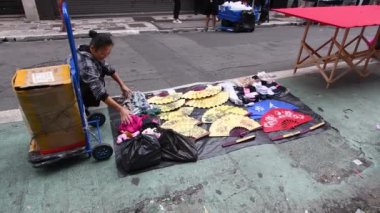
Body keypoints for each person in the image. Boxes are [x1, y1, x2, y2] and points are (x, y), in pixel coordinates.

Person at [76, 30, 132, 124]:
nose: (105, 57)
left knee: (102, 71)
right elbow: (100, 92)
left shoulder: (91, 51)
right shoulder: (86, 64)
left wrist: (122, 85)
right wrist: (121, 109)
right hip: (79, 88)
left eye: (108, 54)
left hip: (84, 83)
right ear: (93, 48)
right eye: (103, 54)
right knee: (93, 92)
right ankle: (83, 108)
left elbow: (109, 69)